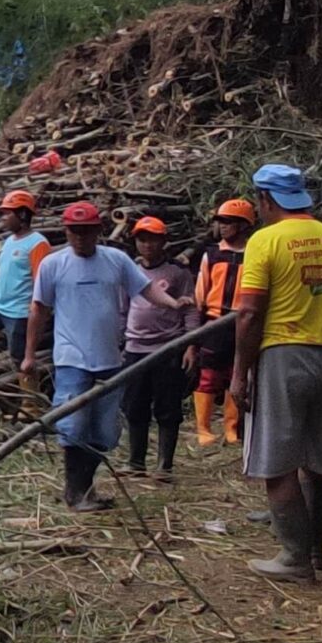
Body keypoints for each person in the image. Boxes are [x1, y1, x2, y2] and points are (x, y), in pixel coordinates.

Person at [231, 163, 322, 582]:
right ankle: (317, 549)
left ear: (265, 199)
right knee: (318, 461)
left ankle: (294, 558)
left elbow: (250, 312)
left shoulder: (265, 241)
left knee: (277, 463)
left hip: (284, 354)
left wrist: (239, 373)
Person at [23, 201, 194, 511]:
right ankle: (76, 492)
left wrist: (172, 303)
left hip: (109, 359)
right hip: (71, 359)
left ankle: (84, 489)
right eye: (74, 232)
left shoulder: (116, 261)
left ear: (98, 231)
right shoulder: (53, 264)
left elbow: (145, 288)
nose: (80, 238)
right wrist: (29, 354)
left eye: (87, 232)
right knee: (73, 427)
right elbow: (39, 309)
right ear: (66, 231)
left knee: (105, 432)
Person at [119, 216, 197, 479]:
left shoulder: (178, 272)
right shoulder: (129, 271)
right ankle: (136, 461)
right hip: (135, 347)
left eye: (153, 239)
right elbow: (122, 307)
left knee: (168, 407)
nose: (147, 245)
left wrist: (190, 345)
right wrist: (119, 341)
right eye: (142, 239)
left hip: (167, 348)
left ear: (164, 242)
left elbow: (190, 311)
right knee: (134, 405)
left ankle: (164, 464)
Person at [188, 199, 255, 448]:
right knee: (209, 376)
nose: (222, 226)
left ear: (243, 225)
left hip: (242, 321)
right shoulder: (212, 254)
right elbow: (200, 293)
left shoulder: (254, 253)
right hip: (214, 322)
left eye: (228, 222)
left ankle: (232, 428)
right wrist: (196, 331)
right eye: (220, 221)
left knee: (236, 374)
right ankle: (203, 429)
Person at [0, 190, 53, 367]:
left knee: (19, 362)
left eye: (8, 213)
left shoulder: (38, 244)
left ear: (22, 214)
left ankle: (27, 393)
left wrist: (34, 313)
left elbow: (41, 283)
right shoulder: (10, 240)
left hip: (18, 313)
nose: (3, 218)